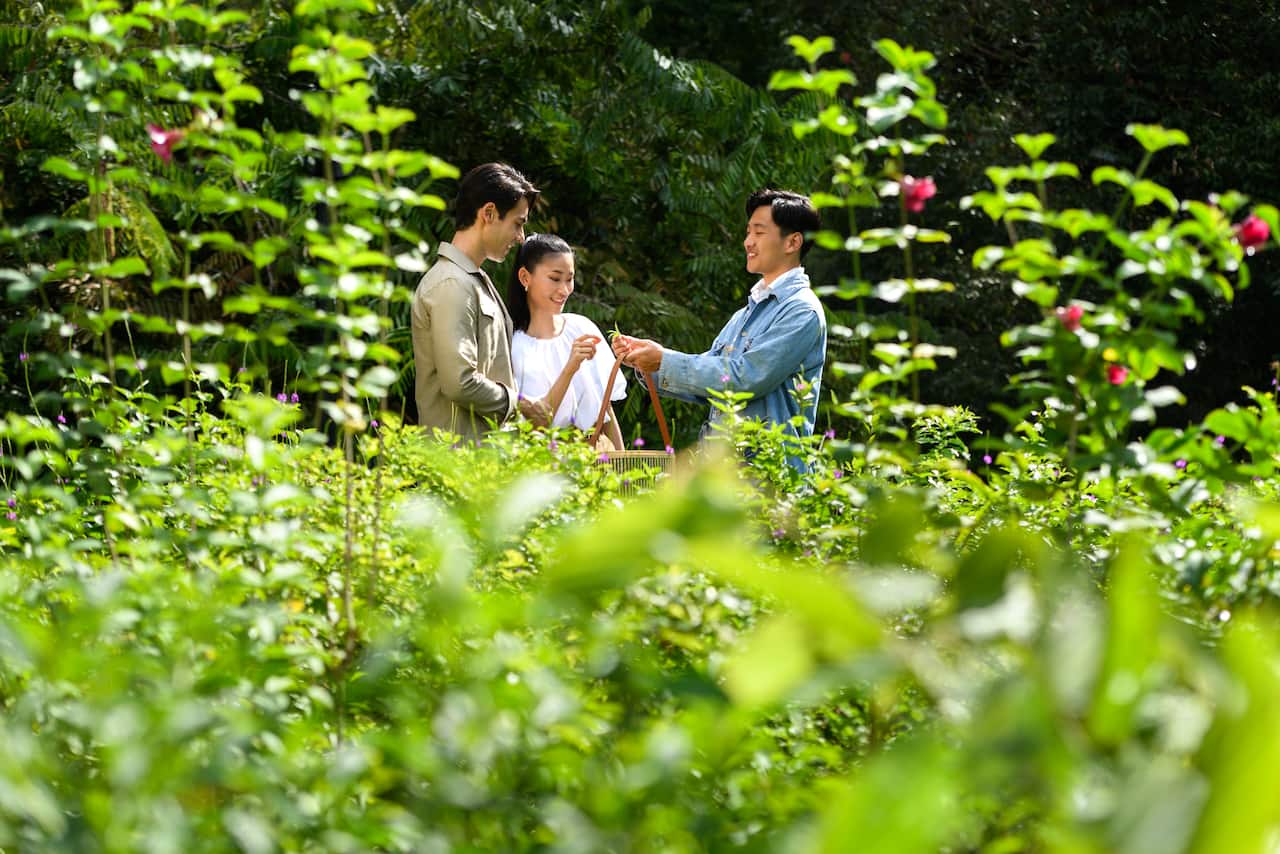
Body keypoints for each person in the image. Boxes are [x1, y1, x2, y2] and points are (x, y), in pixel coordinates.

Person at [612, 189, 825, 462]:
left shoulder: (801, 310)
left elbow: (744, 378)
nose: (748, 242)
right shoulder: (744, 314)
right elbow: (709, 383)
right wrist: (647, 364)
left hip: (768, 479)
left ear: (792, 242)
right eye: (748, 232)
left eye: (759, 233)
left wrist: (663, 360)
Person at [412, 162, 539, 438]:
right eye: (518, 224)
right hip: (456, 467)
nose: (521, 238)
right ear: (489, 213)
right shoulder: (452, 284)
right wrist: (518, 404)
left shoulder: (471, 279)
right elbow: (459, 382)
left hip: (480, 466)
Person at [507, 233, 626, 449]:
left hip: (595, 462)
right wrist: (570, 368)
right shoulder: (515, 347)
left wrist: (625, 472)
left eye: (569, 279)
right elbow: (536, 424)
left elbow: (605, 410)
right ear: (525, 277)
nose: (564, 290)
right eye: (554, 278)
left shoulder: (581, 328)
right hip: (545, 466)